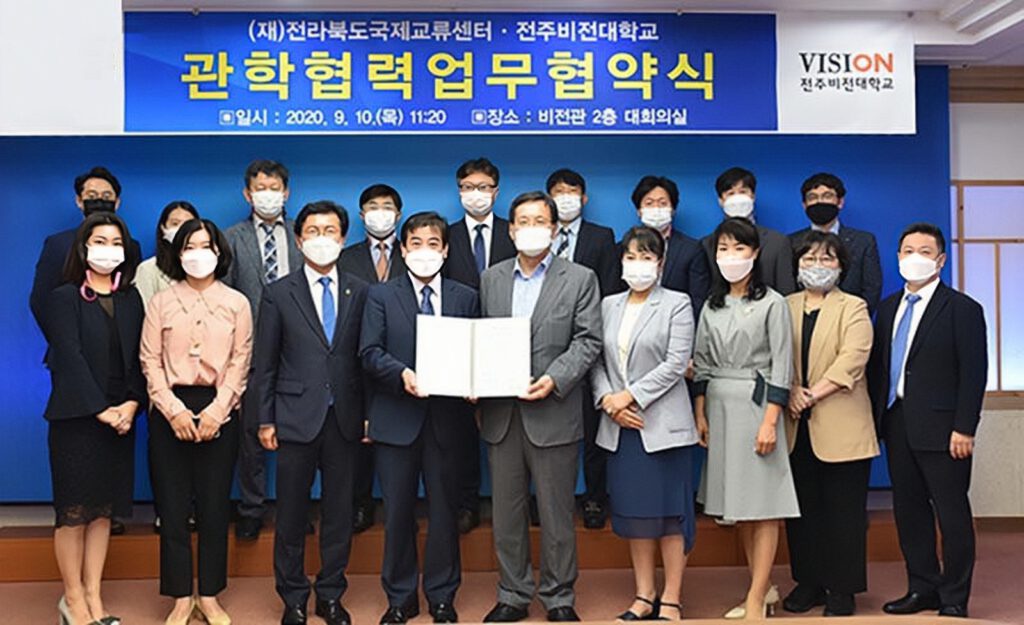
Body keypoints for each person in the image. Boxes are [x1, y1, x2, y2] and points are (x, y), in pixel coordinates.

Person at [478, 191, 602, 623]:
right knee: (506, 514)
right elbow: (481, 339)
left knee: (556, 513)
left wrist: (555, 378)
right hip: (502, 415)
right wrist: (476, 379)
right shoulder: (491, 278)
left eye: (540, 221)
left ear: (554, 229)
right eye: (523, 221)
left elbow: (588, 339)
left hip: (554, 411)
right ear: (511, 230)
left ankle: (558, 595)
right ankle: (512, 593)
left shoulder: (580, 278)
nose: (531, 228)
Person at [359, 212, 479, 625]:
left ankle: (442, 595)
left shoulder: (465, 297)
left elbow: (476, 351)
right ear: (402, 248)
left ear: (445, 251)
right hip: (397, 419)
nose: (424, 251)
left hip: (448, 422)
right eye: (416, 243)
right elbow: (369, 352)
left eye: (433, 244)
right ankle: (400, 597)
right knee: (397, 515)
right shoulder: (380, 295)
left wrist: (475, 380)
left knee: (445, 513)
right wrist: (402, 375)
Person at [253, 201, 368, 625]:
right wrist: (265, 418)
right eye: (313, 232)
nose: (322, 239)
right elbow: (265, 363)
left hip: (345, 418)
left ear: (343, 238)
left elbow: (365, 360)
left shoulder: (360, 290)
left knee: (339, 513)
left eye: (330, 231)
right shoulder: (278, 292)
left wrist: (369, 415)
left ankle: (331, 594)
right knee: (291, 514)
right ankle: (293, 597)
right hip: (294, 416)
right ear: (299, 240)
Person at [867, 223, 987, 619]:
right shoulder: (888, 308)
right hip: (897, 422)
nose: (914, 257)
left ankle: (954, 596)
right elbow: (880, 368)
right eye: (907, 250)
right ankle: (922, 588)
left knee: (952, 515)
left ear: (941, 259)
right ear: (898, 256)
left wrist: (965, 427)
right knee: (910, 512)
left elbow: (974, 373)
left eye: (924, 251)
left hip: (946, 430)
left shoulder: (962, 309)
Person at [140, 219, 252, 625]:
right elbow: (149, 360)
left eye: (206, 246)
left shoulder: (237, 303)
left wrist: (217, 412)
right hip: (169, 408)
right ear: (178, 253)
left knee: (214, 506)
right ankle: (180, 597)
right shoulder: (162, 301)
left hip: (219, 408)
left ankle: (209, 594)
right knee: (172, 508)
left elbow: (241, 361)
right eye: (190, 246)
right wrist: (172, 410)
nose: (198, 254)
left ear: (219, 253)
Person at [41, 212, 145, 625]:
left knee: (103, 512)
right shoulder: (64, 297)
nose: (109, 250)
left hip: (121, 419)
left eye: (116, 242)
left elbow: (140, 358)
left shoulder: (131, 298)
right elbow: (69, 358)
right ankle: (72, 599)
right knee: (73, 513)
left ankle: (94, 596)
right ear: (83, 248)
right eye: (100, 241)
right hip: (77, 420)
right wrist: (100, 409)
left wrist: (132, 404)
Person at [693, 217, 798, 620]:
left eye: (739, 248)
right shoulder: (712, 304)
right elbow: (702, 362)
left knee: (763, 504)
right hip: (719, 408)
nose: (731, 256)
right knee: (739, 504)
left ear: (755, 253)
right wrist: (700, 412)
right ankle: (763, 587)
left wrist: (771, 420)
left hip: (757, 407)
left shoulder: (772, 302)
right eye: (723, 249)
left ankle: (755, 599)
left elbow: (781, 365)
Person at [591, 226, 697, 621]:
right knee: (637, 516)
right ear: (621, 262)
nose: (638, 264)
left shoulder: (677, 303)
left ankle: (671, 597)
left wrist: (629, 396)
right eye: (631, 257)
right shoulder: (608, 305)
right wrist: (609, 401)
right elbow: (596, 361)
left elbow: (676, 363)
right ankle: (644, 593)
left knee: (670, 516)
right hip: (621, 428)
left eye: (647, 257)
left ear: (661, 263)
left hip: (663, 426)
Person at [782, 231, 878, 617]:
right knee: (802, 511)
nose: (817, 266)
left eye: (826, 259)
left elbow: (853, 359)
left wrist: (809, 394)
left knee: (844, 513)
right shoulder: (783, 305)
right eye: (809, 259)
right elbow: (772, 356)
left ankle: (842, 589)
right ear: (796, 265)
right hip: (795, 425)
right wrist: (790, 390)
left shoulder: (853, 306)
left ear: (841, 267)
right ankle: (808, 582)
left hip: (841, 422)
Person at [223, 159, 303, 541]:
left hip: (299, 349)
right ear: (247, 193)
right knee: (251, 436)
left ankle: (295, 509)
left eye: (274, 188)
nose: (267, 195)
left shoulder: (303, 234)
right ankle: (251, 508)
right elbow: (224, 297)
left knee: (298, 436)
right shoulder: (231, 238)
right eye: (260, 188)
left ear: (286, 192)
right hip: (252, 350)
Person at [441, 157, 516, 533]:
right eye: (468, 187)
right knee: (460, 432)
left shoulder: (514, 232)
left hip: (508, 343)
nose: (476, 194)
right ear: (459, 192)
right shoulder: (446, 235)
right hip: (458, 345)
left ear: (496, 192)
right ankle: (466, 503)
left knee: (511, 428)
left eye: (483, 187)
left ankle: (516, 504)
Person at [546, 167, 620, 529]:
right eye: (558, 192)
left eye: (572, 191)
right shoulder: (537, 235)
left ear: (584, 198)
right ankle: (542, 498)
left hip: (590, 341)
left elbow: (609, 289)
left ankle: (594, 497)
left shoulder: (601, 237)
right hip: (546, 344)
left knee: (592, 427)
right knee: (543, 427)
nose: (565, 198)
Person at [339, 183, 408, 534]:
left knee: (402, 436)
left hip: (403, 359)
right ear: (361, 214)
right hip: (356, 357)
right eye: (372, 206)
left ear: (398, 214)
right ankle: (360, 504)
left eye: (387, 206)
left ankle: (401, 509)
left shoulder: (414, 253)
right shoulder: (345, 257)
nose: (379, 213)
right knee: (357, 438)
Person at [30, 166, 142, 336]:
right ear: (79, 201)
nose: (99, 200)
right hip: (70, 340)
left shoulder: (131, 246)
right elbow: (41, 300)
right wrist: (62, 340)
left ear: (117, 202)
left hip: (119, 341)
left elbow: (132, 298)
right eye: (91, 195)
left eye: (107, 196)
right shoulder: (57, 244)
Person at [788, 173, 882, 314]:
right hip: (802, 317)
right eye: (812, 197)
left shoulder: (864, 241)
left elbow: (872, 288)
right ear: (804, 205)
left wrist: (856, 317)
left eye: (827, 196)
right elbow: (788, 286)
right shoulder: (790, 242)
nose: (820, 201)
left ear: (840, 202)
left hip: (850, 317)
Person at [701, 167, 796, 295]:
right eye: (730, 193)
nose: (737, 198)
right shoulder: (707, 244)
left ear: (753, 196)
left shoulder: (778, 241)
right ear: (721, 201)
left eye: (743, 192)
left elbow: (787, 291)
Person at [627, 175, 709, 320]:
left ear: (673, 209)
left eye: (663, 203)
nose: (656, 208)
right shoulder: (622, 249)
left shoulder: (692, 249)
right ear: (639, 211)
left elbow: (698, 300)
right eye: (649, 203)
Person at [136, 201, 200, 307]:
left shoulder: (205, 265)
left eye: (187, 224)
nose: (181, 229)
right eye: (175, 223)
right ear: (163, 228)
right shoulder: (147, 269)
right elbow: (145, 311)